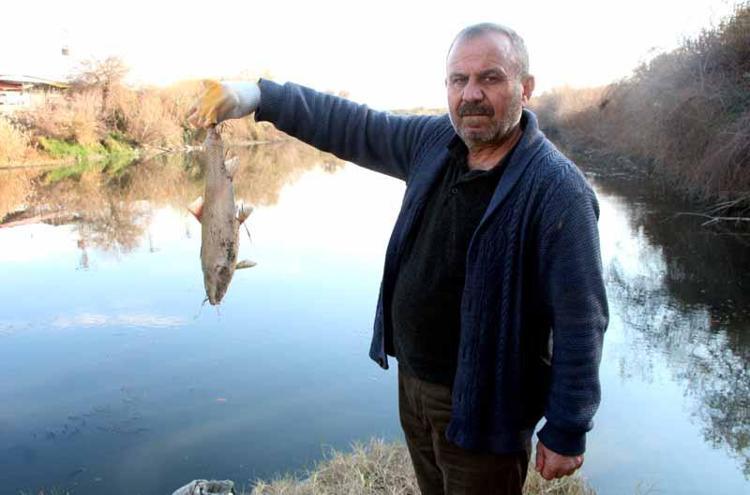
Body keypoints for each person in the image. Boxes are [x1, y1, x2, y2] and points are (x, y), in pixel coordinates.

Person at [188, 23, 607, 495]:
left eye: (489, 78)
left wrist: (568, 426)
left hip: (487, 407)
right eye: (458, 80)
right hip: (414, 384)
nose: (471, 94)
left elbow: (581, 318)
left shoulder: (557, 190)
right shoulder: (433, 143)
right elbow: (351, 124)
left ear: (525, 88)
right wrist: (258, 96)